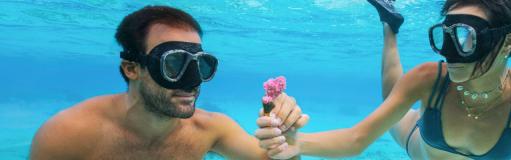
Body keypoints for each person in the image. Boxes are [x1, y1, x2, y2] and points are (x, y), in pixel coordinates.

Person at [255, 0, 511, 159]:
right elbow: (358, 138)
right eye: (445, 36)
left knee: (397, 97)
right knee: (392, 96)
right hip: (419, 145)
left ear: (508, 41)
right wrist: (300, 144)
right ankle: (390, 26)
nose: (450, 53)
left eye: (465, 38)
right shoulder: (429, 77)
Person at [29, 5, 307, 160]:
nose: (192, 83)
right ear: (131, 68)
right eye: (173, 64)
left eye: (201, 65)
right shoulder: (69, 133)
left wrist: (288, 143)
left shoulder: (210, 128)